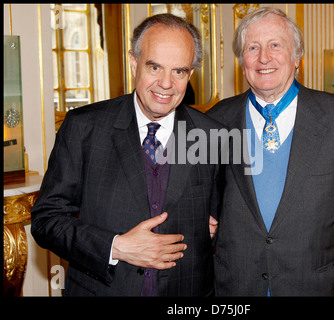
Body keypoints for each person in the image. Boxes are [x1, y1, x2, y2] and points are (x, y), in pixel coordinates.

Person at [31, 13, 223, 297]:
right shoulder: (84, 127)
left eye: (179, 71)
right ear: (134, 62)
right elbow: (46, 220)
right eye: (155, 67)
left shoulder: (212, 135)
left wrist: (214, 229)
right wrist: (115, 246)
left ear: (190, 74)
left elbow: (224, 221)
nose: (166, 83)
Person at [207, 7, 334, 296]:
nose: (263, 57)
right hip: (237, 289)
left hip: (315, 286)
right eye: (253, 47)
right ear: (242, 59)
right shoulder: (216, 120)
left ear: (297, 58)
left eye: (275, 45)